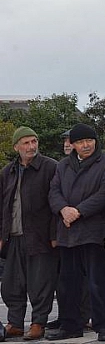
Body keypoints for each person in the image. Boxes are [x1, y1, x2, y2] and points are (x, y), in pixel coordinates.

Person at [47, 123, 105, 341]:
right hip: (67, 233)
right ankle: (70, 325)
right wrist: (63, 209)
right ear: (73, 144)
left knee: (97, 282)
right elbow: (53, 191)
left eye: (89, 140)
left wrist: (78, 211)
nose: (86, 145)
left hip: (93, 232)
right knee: (67, 283)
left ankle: (102, 326)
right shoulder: (63, 165)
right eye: (80, 142)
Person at [0, 127, 59, 340]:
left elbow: (56, 204)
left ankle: (38, 323)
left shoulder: (51, 167)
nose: (31, 146)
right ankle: (15, 323)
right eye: (25, 143)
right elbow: (3, 206)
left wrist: (54, 235)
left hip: (40, 237)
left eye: (34, 141)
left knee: (40, 283)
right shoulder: (7, 172)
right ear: (16, 146)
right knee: (11, 284)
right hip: (13, 236)